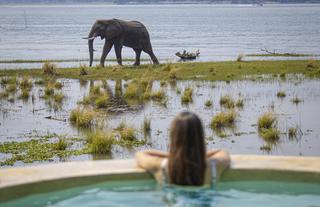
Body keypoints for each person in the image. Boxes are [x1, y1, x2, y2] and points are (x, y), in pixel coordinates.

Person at [135, 111, 230, 186]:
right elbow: (223, 152)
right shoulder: (214, 166)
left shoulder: (162, 167)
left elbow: (140, 154)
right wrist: (197, 155)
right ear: (200, 136)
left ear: (174, 137)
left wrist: (176, 156)